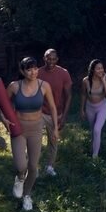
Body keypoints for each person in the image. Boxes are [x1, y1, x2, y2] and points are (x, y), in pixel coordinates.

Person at [3, 56, 58, 211]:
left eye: (35, 68)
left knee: (33, 167)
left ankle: (27, 195)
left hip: (36, 129)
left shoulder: (44, 85)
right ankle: (20, 178)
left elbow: (53, 108)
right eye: (29, 69)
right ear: (22, 71)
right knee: (21, 165)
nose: (33, 72)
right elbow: (2, 105)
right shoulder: (14, 86)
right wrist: (3, 119)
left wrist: (54, 128)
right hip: (18, 128)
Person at [37, 48, 72, 176]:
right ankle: (34, 167)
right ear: (44, 58)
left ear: (57, 60)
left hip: (57, 112)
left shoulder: (64, 73)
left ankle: (50, 166)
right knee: (36, 140)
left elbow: (68, 96)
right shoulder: (38, 73)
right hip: (40, 111)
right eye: (48, 58)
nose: (50, 61)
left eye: (53, 59)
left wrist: (64, 117)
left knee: (53, 141)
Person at [79, 59, 106, 158]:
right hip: (90, 107)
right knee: (93, 130)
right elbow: (83, 95)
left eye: (102, 68)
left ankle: (95, 157)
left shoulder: (105, 80)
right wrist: (82, 109)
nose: (101, 70)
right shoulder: (86, 81)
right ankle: (93, 147)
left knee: (97, 129)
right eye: (98, 69)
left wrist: (104, 82)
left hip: (102, 107)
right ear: (92, 70)